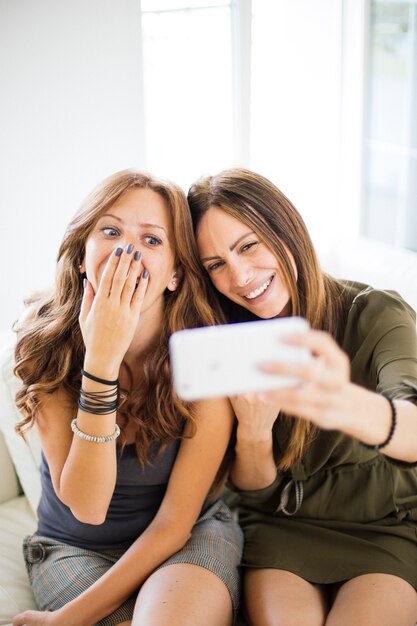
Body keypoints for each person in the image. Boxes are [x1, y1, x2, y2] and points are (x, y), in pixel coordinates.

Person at [12, 169, 243, 626]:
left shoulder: (203, 355)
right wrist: (101, 359)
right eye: (111, 231)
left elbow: (173, 526)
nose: (128, 250)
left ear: (176, 273)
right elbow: (88, 506)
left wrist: (66, 620)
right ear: (83, 255)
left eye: (153, 240)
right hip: (75, 546)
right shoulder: (46, 345)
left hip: (186, 535)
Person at [187, 167, 417, 626]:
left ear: (285, 227)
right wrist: (253, 430)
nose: (240, 276)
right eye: (216, 265)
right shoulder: (226, 340)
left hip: (384, 526)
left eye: (248, 245)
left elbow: (412, 427)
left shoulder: (373, 313)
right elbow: (254, 489)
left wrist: (341, 402)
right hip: (281, 526)